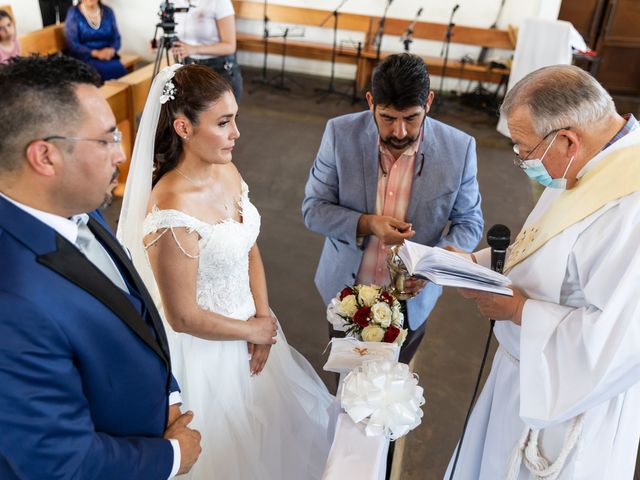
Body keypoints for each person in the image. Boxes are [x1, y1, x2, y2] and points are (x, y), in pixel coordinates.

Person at [117, 64, 333, 479]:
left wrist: (264, 317)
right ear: (183, 126)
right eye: (223, 122)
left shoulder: (228, 171)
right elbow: (182, 316)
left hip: (254, 330)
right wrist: (251, 331)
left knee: (272, 439)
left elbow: (248, 246)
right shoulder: (171, 212)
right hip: (206, 354)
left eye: (235, 118)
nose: (236, 133)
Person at [0, 55, 201, 479]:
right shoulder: (12, 300)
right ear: (46, 156)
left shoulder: (76, 204)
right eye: (108, 138)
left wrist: (165, 395)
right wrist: (172, 458)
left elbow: (128, 309)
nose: (122, 152)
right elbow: (57, 463)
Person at [446, 65, 640, 479]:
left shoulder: (631, 203)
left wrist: (518, 311)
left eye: (523, 149)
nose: (521, 160)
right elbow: (544, 246)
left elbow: (619, 342)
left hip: (568, 404)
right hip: (524, 371)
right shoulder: (589, 165)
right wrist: (473, 265)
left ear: (567, 139)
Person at [302, 53, 484, 365]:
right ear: (371, 101)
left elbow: (470, 222)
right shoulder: (339, 134)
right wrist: (368, 224)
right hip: (346, 295)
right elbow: (313, 209)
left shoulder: (460, 148)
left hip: (412, 304)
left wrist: (431, 264)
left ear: (428, 101)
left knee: (394, 391)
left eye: (411, 118)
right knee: (345, 389)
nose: (399, 132)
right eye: (387, 118)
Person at [171, 0, 243, 102]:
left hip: (219, 69)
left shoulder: (219, 2)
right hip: (189, 67)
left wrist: (194, 49)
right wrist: (161, 43)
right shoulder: (173, 2)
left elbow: (230, 46)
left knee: (220, 116)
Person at [65, 0, 127, 81]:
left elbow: (117, 38)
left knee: (121, 72)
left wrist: (112, 50)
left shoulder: (108, 11)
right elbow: (72, 44)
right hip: (85, 58)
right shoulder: (73, 13)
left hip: (108, 57)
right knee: (103, 73)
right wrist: (96, 53)